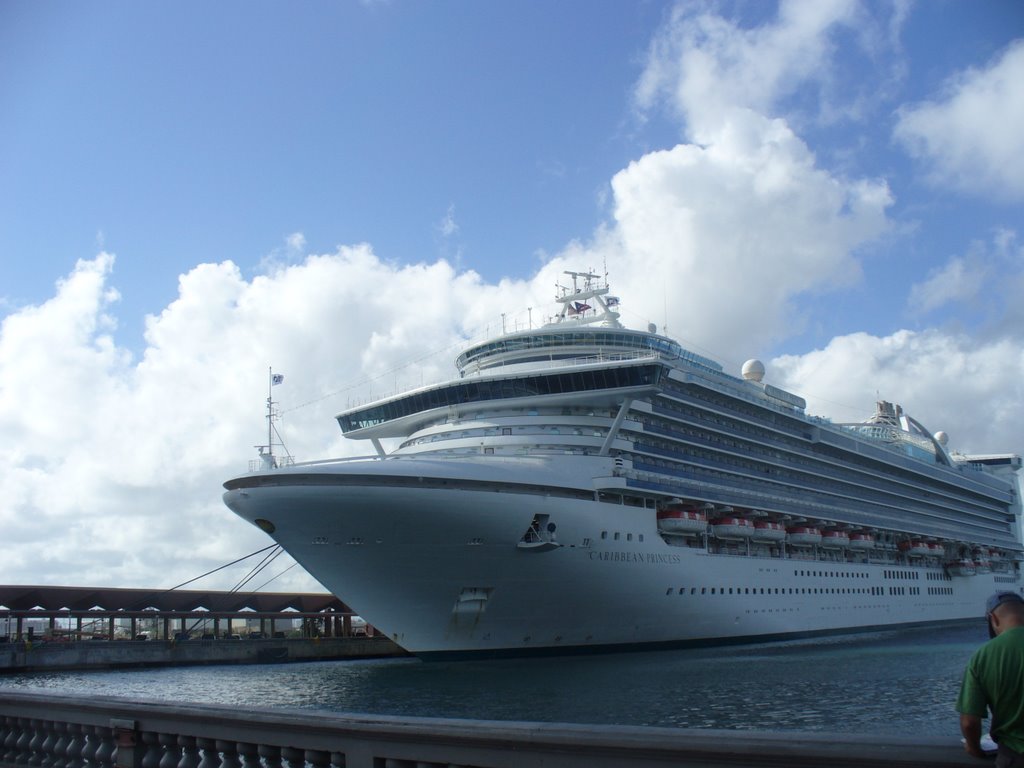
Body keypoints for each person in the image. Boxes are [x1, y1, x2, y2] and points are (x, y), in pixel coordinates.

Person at [957, 591, 1024, 766]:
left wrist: (974, 749)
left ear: (992, 618)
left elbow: (969, 722)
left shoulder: (983, 655)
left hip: (1013, 757)